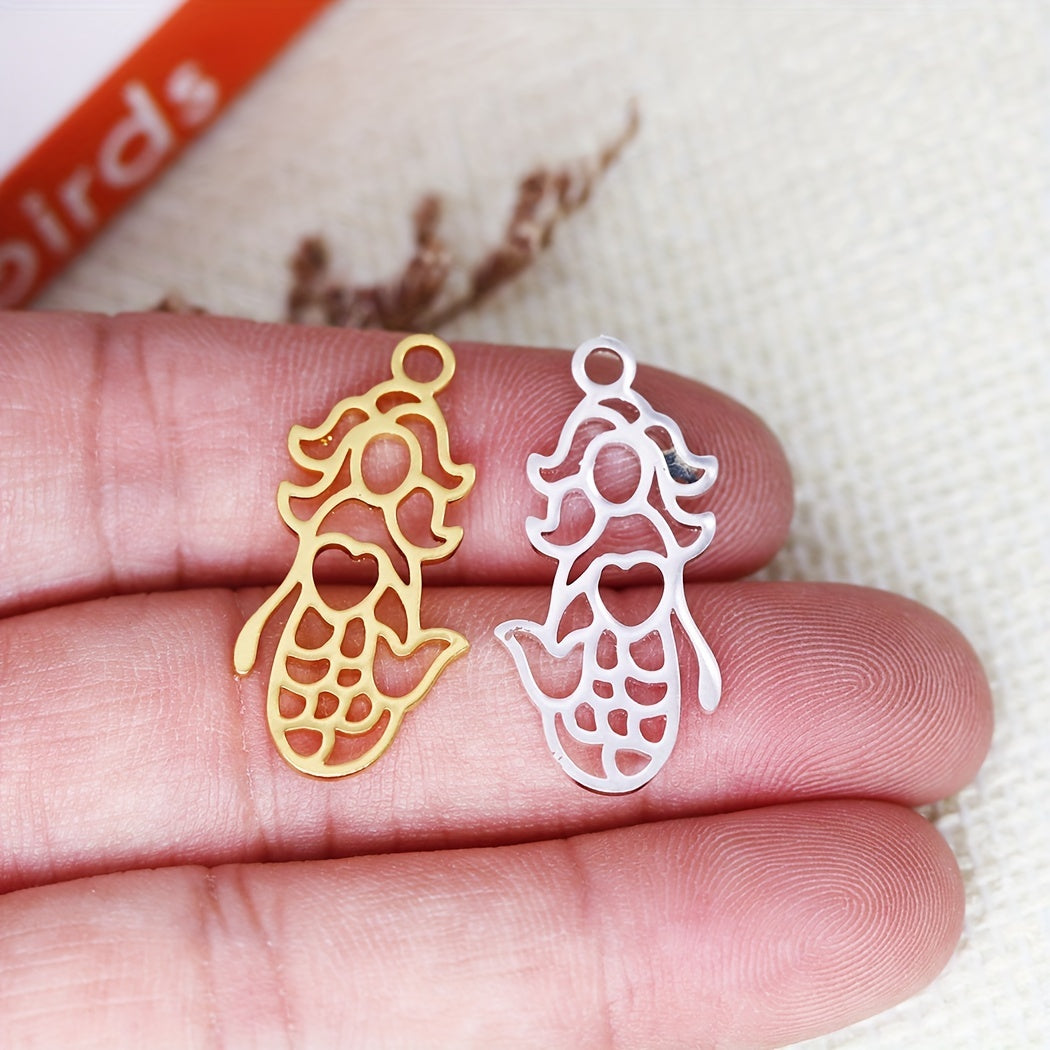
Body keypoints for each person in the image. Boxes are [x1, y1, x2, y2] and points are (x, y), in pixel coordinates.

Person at [0, 311, 992, 1048]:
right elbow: (291, 606)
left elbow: (664, 620)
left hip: (561, 685)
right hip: (402, 672)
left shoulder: (541, 575)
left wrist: (646, 659)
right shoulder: (360, 565)